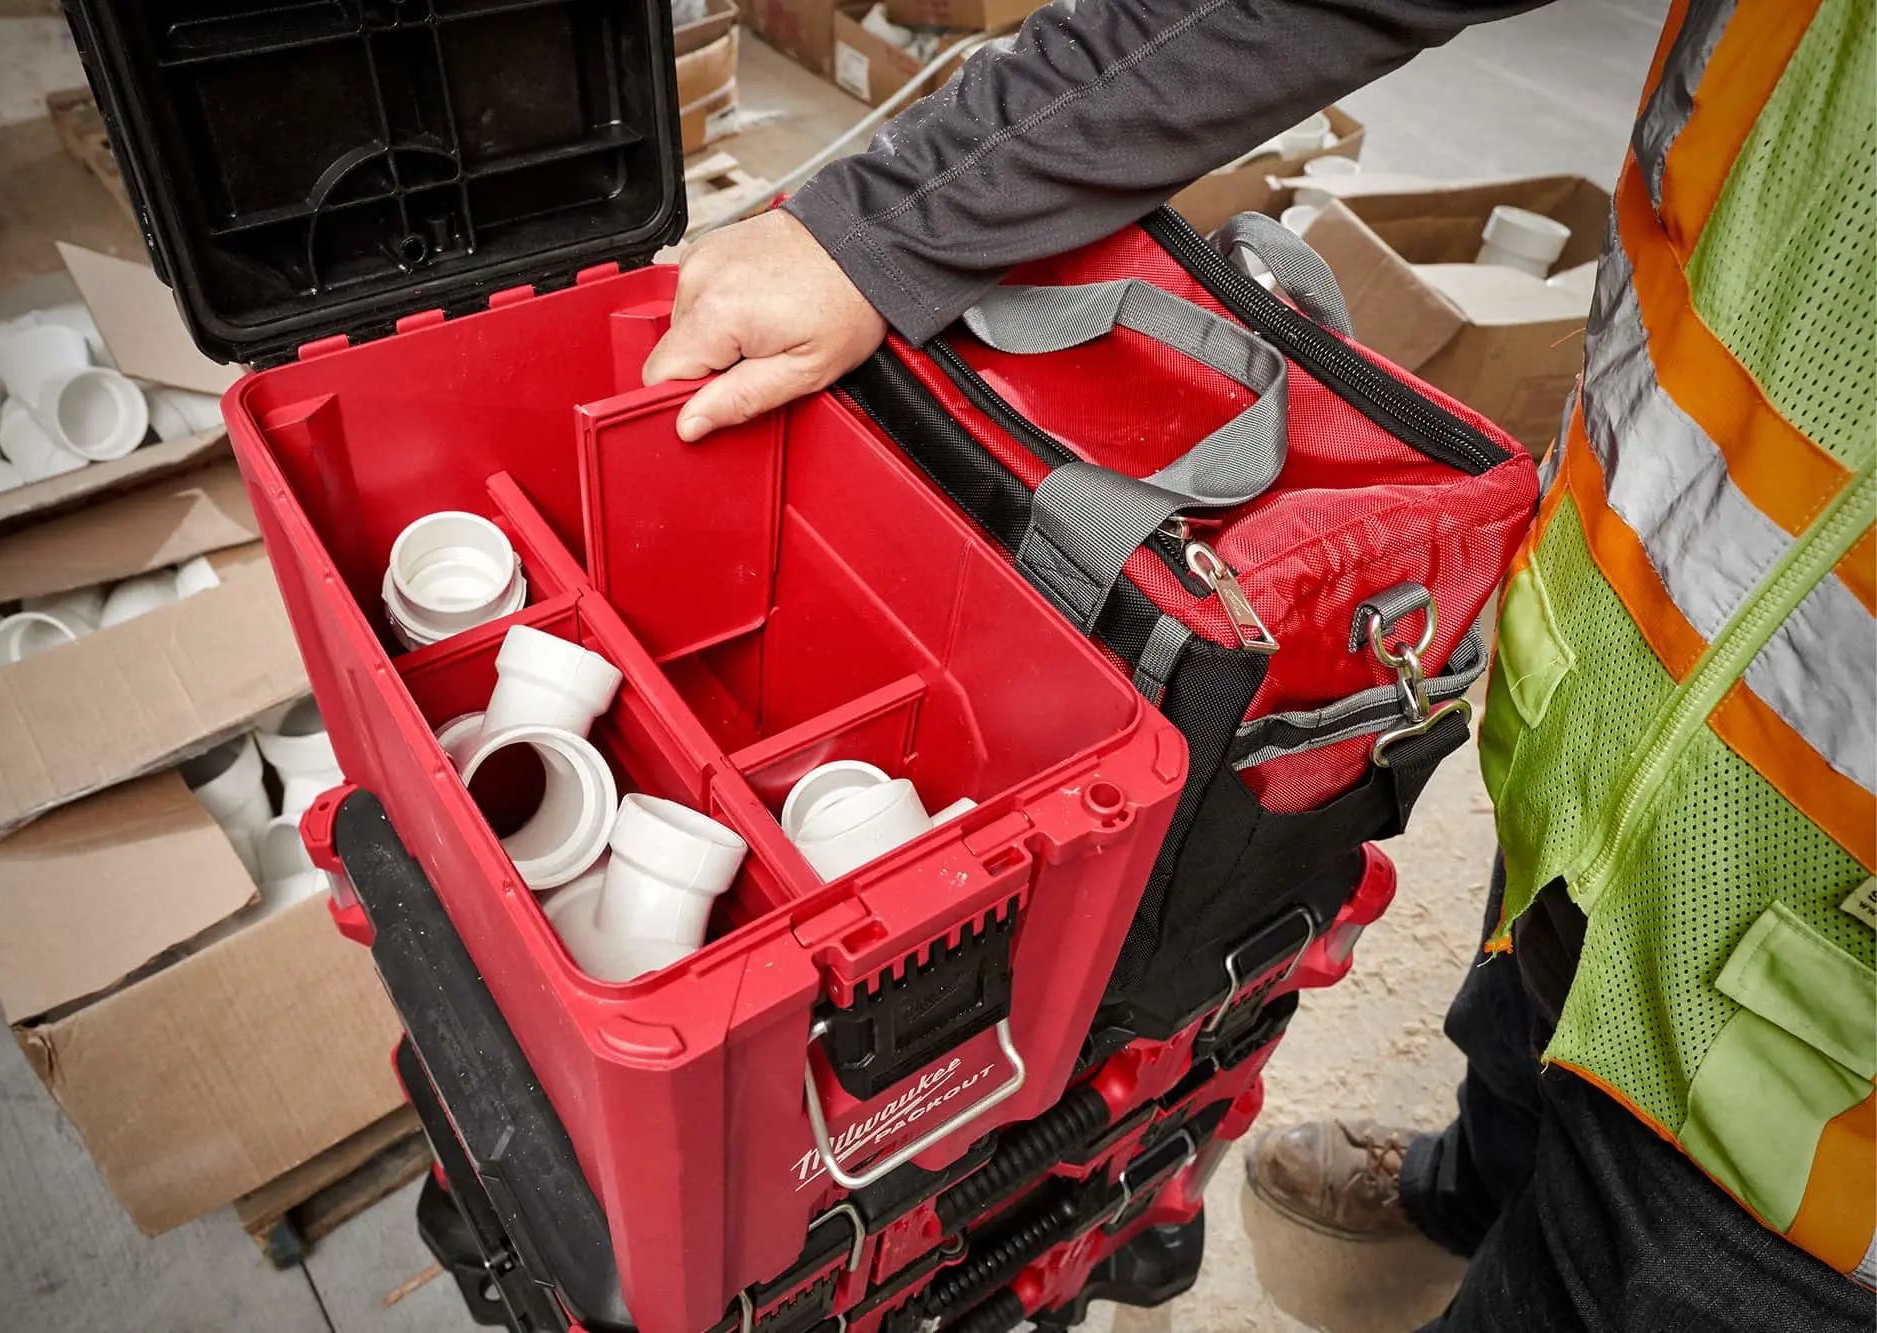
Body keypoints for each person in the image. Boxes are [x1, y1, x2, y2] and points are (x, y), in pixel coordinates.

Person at [645, 0, 1876, 1327]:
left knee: (1641, 1254)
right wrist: (893, 223)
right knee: (1534, 998)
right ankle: (1469, 1195)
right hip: (1636, 706)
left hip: (1829, 1048)